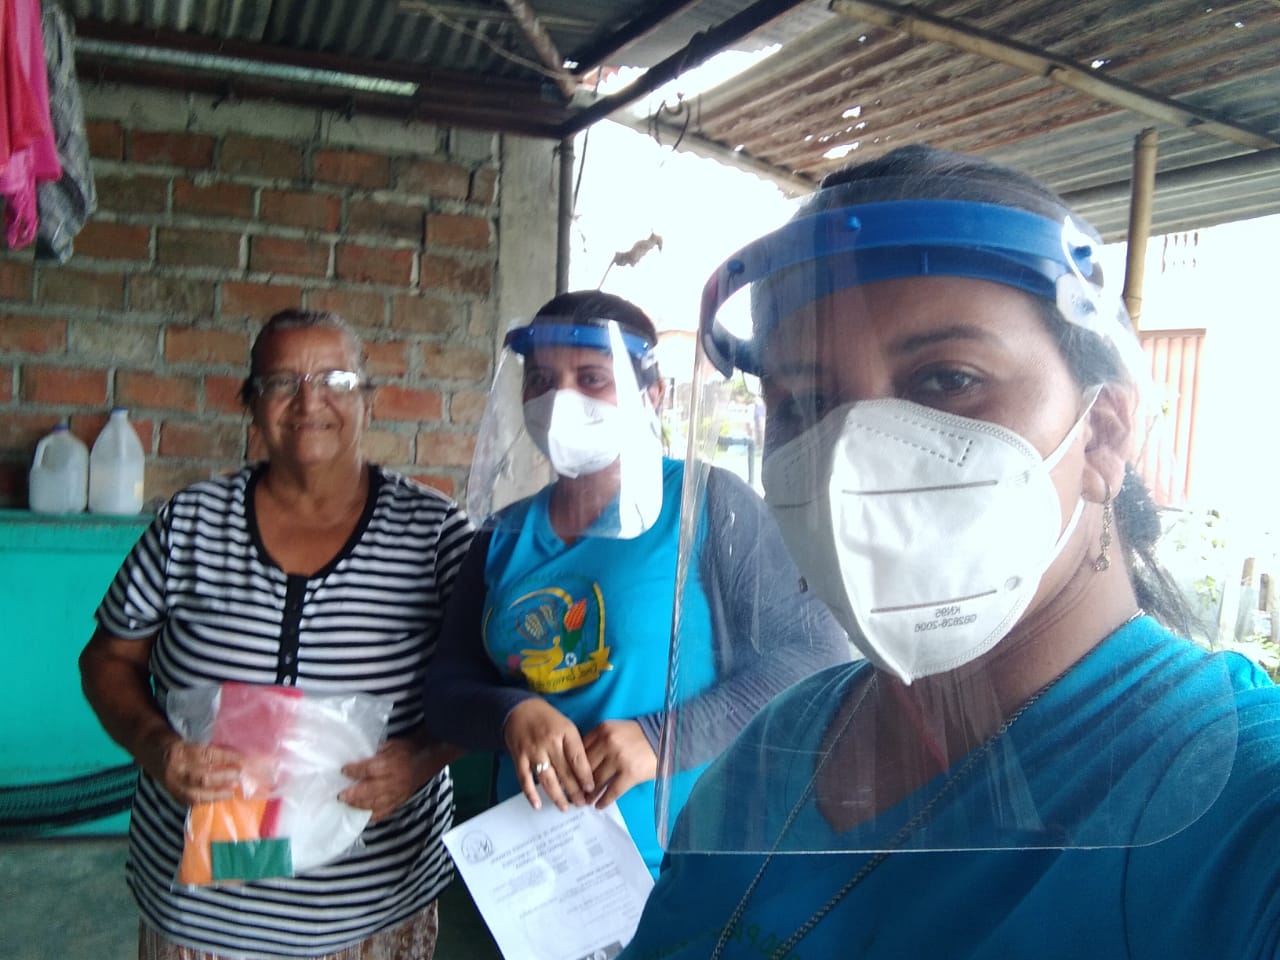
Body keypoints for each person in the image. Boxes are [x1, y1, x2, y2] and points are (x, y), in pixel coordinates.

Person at [619, 145, 1280, 959]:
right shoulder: (777, 745)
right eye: (805, 402)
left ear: (1104, 431)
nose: (850, 459)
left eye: (946, 379)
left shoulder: (1243, 799)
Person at [79, 309, 474, 959]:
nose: (309, 401)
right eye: (282, 382)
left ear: (368, 400)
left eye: (336, 380)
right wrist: (156, 746)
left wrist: (423, 758)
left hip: (372, 907)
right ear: (251, 404)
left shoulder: (433, 533)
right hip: (202, 915)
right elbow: (107, 660)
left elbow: (488, 679)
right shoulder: (191, 523)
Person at [421, 290, 849, 877]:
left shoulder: (705, 504)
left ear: (653, 394)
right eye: (541, 379)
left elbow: (815, 654)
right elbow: (446, 691)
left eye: (591, 378)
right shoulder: (502, 534)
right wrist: (512, 712)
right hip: (533, 875)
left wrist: (661, 738)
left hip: (678, 866)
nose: (559, 400)